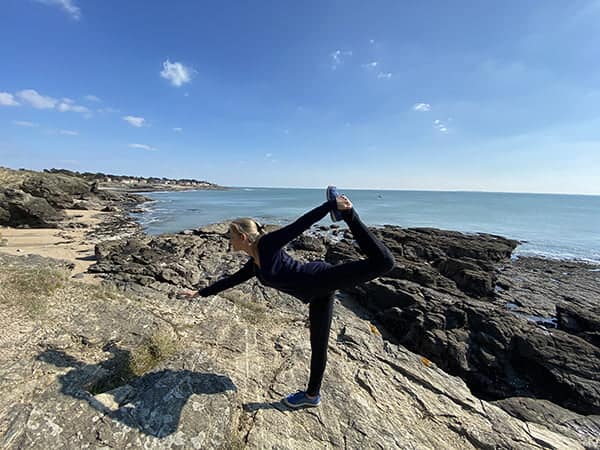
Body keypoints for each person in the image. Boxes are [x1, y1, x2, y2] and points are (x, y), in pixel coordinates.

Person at [183, 187, 395, 408]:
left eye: (231, 236)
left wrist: (331, 206)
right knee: (318, 345)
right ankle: (312, 396)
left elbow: (300, 225)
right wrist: (199, 292)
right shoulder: (254, 264)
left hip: (322, 278)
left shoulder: (267, 245)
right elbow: (232, 280)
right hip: (315, 295)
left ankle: (349, 214)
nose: (229, 240)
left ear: (243, 237)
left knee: (384, 262)